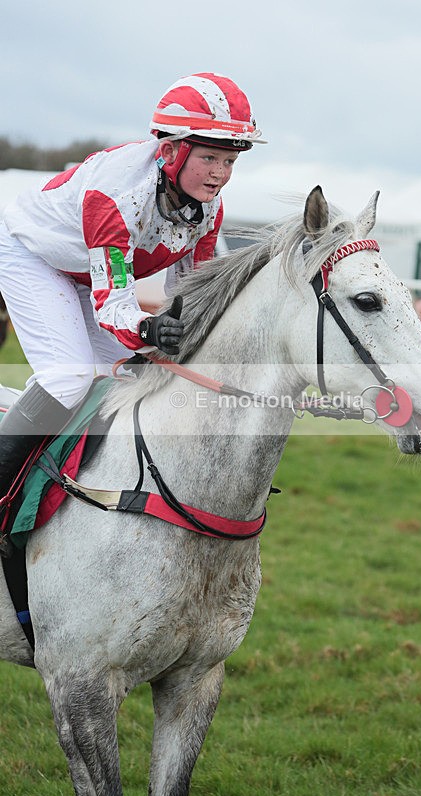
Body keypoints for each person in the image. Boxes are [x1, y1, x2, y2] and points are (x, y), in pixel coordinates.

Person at [0, 72, 265, 552]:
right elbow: (115, 305)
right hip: (32, 256)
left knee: (124, 380)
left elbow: (195, 292)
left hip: (85, 273)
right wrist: (150, 327)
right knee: (69, 379)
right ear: (171, 151)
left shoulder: (208, 207)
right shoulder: (117, 195)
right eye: (209, 157)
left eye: (229, 161)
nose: (219, 174)